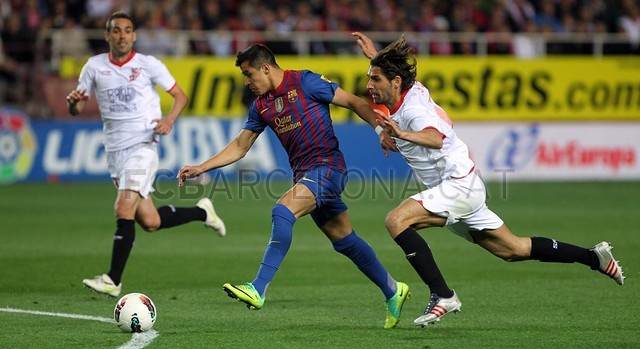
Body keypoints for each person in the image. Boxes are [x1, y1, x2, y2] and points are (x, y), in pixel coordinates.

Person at [352, 32, 625, 327]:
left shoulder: (413, 111)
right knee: (513, 250)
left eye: (375, 79)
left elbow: (435, 137)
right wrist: (376, 57)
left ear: (394, 83)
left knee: (397, 221)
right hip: (458, 187)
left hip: (458, 186)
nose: (369, 85)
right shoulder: (409, 88)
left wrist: (400, 133)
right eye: (370, 78)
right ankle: (594, 257)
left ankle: (442, 294)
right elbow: (392, 78)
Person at [177, 44, 409, 329]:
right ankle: (392, 290)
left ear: (265, 67)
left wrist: (380, 130)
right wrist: (202, 167)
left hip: (328, 168)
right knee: (344, 239)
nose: (247, 83)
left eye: (249, 75)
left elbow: (355, 102)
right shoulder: (260, 106)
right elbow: (240, 146)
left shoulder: (305, 81)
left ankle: (258, 288)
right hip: (305, 176)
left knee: (283, 211)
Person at [66, 11, 226, 298]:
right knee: (150, 222)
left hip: (143, 147)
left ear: (134, 35)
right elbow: (76, 107)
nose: (122, 35)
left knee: (122, 208)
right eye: (116, 30)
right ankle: (203, 211)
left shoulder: (148, 65)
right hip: (115, 152)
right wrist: (74, 105)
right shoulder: (93, 66)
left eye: (127, 30)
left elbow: (180, 96)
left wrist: (168, 121)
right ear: (107, 35)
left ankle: (113, 280)